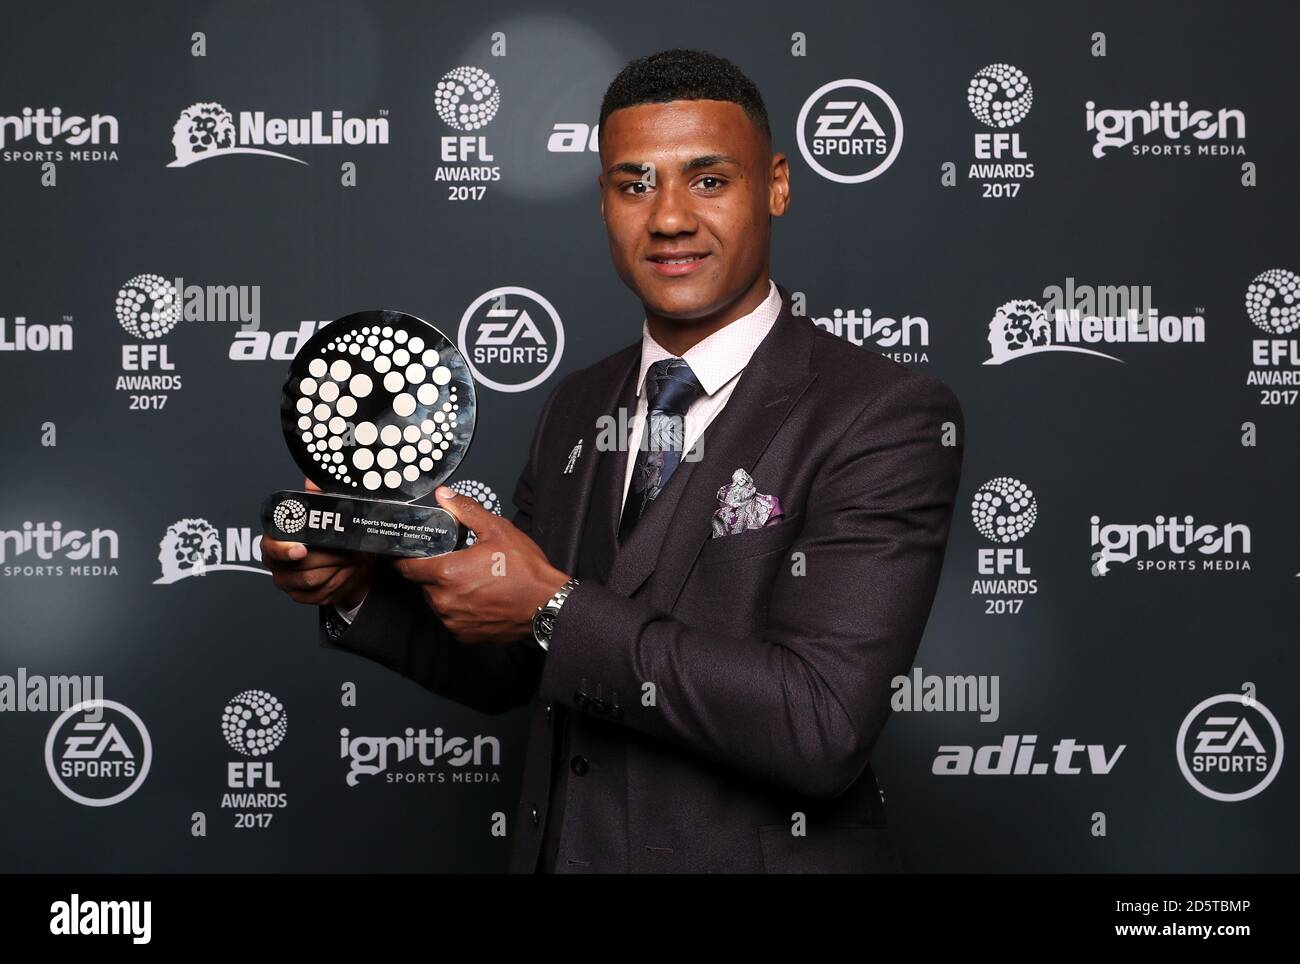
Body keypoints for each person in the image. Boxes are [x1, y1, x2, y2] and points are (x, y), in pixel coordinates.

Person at [263, 47, 963, 873]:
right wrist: (357, 592)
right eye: (635, 184)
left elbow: (821, 724)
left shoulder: (881, 413)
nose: (667, 217)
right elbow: (511, 661)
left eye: (708, 180)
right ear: (603, 199)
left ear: (775, 183)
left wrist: (553, 606)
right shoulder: (577, 405)